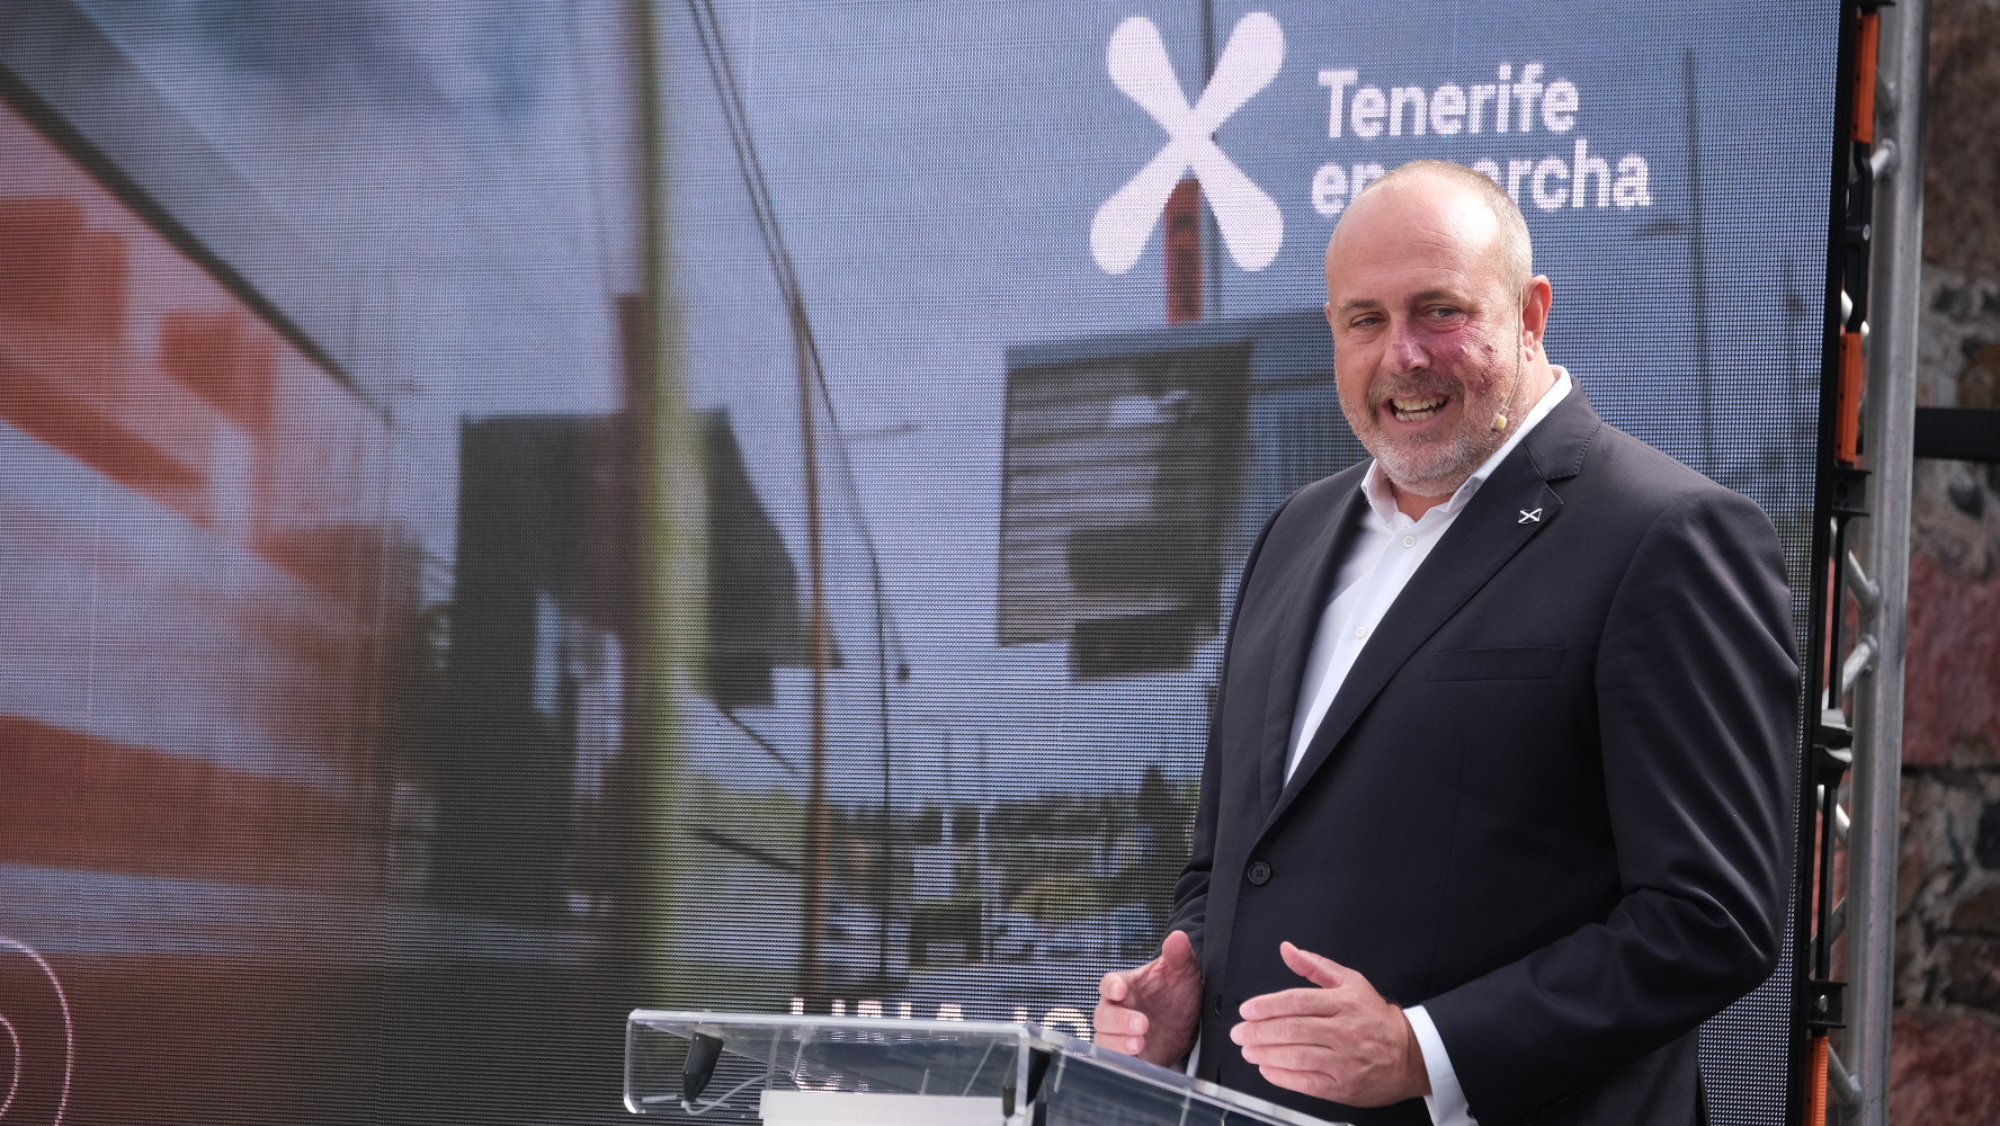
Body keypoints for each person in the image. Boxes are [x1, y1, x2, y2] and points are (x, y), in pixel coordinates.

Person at [1093, 160, 1797, 1126]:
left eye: (1441, 311)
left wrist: (1426, 1051)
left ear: (1531, 313)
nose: (1404, 355)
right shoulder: (1294, 533)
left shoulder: (1668, 535)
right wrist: (1192, 981)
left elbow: (1711, 919)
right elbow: (1231, 863)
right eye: (1365, 320)